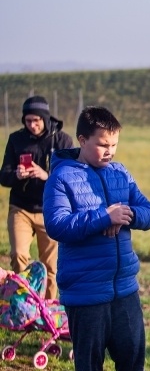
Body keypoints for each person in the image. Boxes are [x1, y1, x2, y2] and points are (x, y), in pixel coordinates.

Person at [43, 107, 150, 371]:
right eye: (102, 144)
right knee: (89, 365)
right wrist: (101, 218)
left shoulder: (121, 173)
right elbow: (56, 225)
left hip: (124, 289)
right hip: (85, 291)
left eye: (114, 144)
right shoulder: (62, 177)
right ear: (82, 139)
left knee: (133, 359)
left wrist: (123, 215)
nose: (110, 151)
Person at [0, 95, 73, 299]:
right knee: (18, 256)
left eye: (36, 120)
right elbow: (3, 175)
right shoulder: (16, 139)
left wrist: (46, 175)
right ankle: (23, 305)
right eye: (28, 120)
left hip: (51, 210)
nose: (32, 125)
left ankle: (47, 310)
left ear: (45, 119)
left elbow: (71, 178)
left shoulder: (62, 141)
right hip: (20, 208)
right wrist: (15, 174)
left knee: (51, 265)